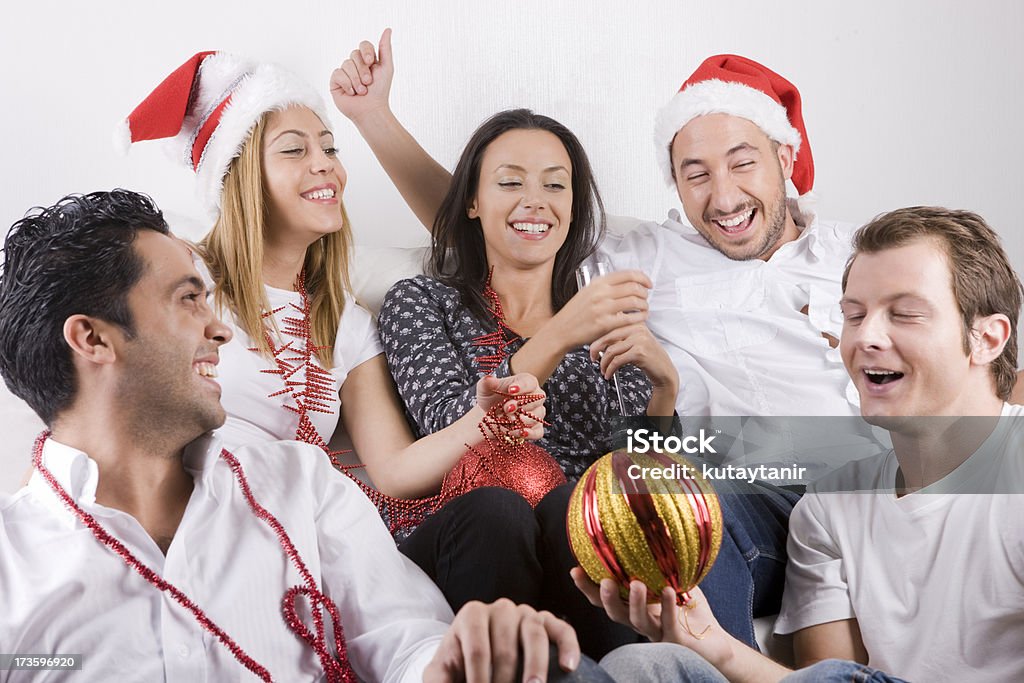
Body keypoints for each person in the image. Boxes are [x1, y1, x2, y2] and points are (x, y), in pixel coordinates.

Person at [0, 190, 612, 682]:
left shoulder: (300, 483)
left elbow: (402, 638)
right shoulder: (14, 563)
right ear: (94, 340)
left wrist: (453, 663)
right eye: (187, 300)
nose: (219, 330)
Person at [332, 34, 800, 654]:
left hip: (572, 535)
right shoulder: (423, 302)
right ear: (471, 201)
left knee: (578, 512)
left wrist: (664, 390)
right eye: (510, 183)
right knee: (500, 509)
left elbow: (644, 473)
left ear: (574, 206)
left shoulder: (608, 317)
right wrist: (558, 335)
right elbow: (454, 426)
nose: (535, 201)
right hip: (462, 521)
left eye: (555, 185)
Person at [118, 51, 570, 618]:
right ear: (239, 177)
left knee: (495, 513)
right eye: (294, 150)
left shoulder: (348, 323)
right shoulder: (187, 280)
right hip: (218, 526)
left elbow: (395, 471)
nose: (326, 165)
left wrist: (483, 420)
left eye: (330, 148)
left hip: (322, 535)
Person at [582, 206, 1024, 682]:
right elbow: (824, 678)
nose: (866, 337)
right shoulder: (828, 507)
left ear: (986, 338)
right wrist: (707, 641)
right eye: (854, 315)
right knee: (644, 664)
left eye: (905, 314)